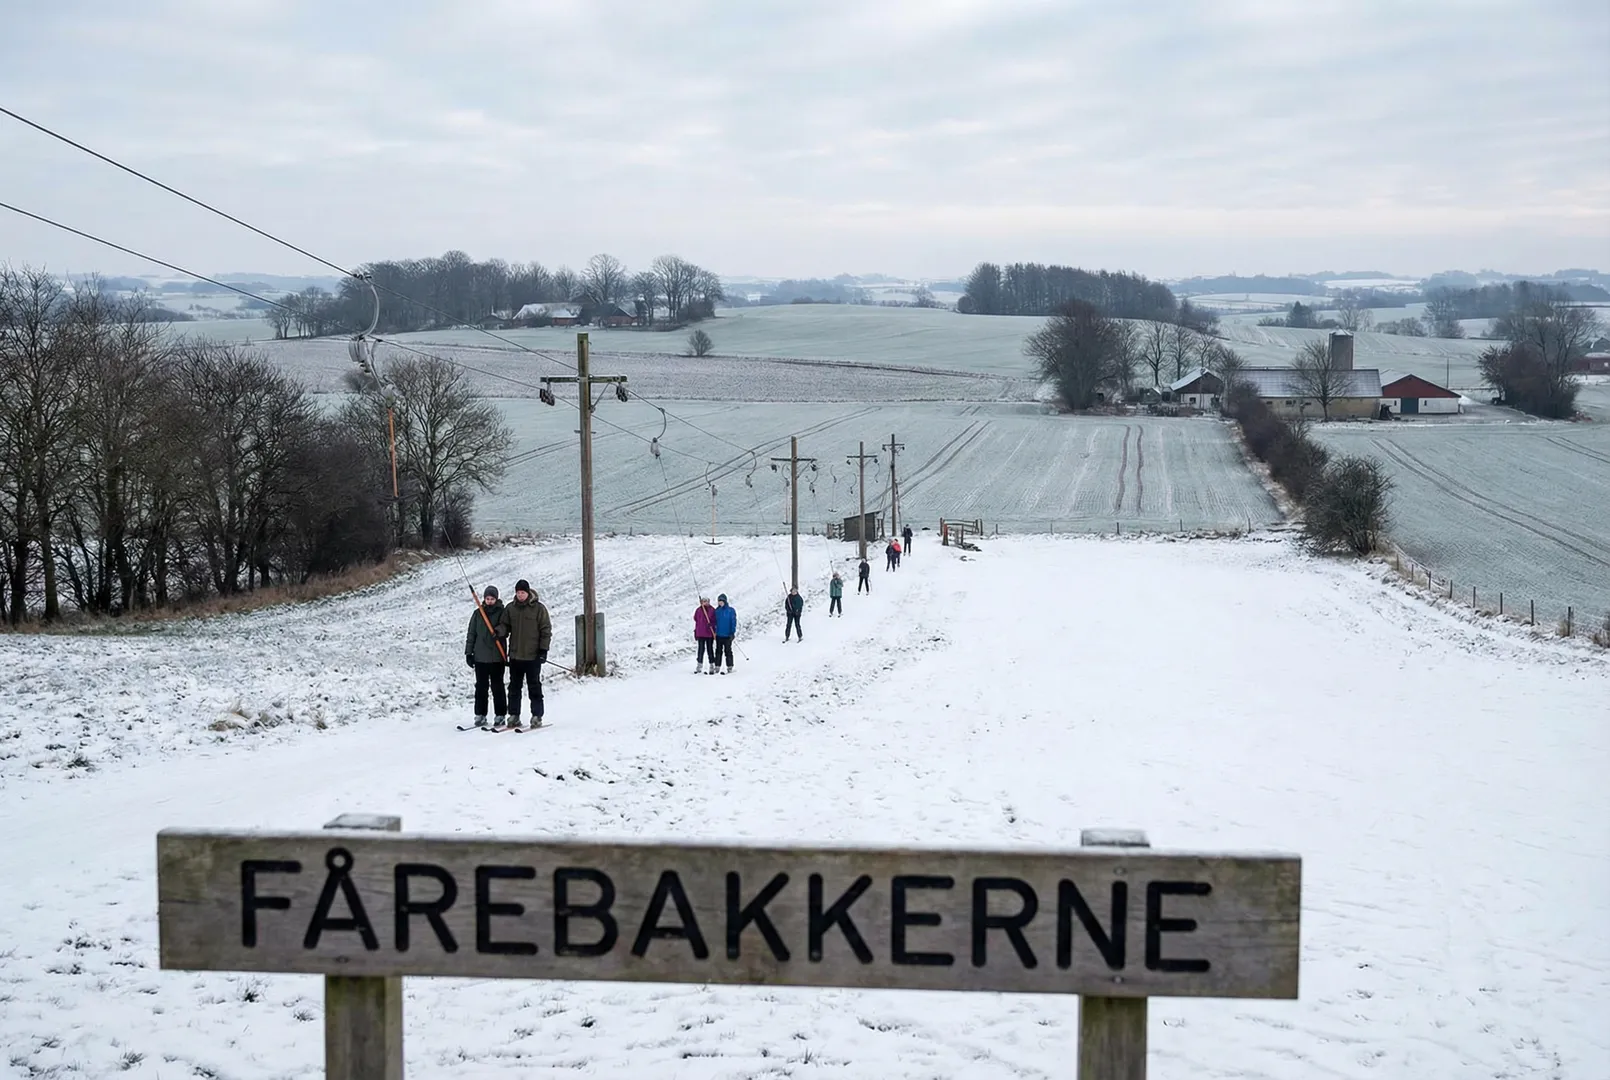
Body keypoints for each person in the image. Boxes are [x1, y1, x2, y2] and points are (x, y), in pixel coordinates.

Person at [497, 578, 551, 730]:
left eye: (523, 592)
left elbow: (546, 630)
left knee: (534, 687)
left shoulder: (539, 609)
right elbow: (504, 625)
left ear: (528, 593)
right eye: (518, 592)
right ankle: (514, 715)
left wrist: (543, 650)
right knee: (514, 688)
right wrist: (498, 632)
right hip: (515, 656)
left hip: (533, 656)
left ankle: (537, 716)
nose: (520, 595)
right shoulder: (511, 608)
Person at [464, 585, 507, 728]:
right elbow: (471, 634)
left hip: (496, 657)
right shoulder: (478, 614)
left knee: (497, 687)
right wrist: (469, 653)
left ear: (496, 599)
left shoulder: (502, 612)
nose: (489, 601)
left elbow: (506, 627)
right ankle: (480, 714)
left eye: (492, 599)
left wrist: (499, 631)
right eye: (487, 598)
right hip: (480, 658)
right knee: (481, 687)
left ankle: (500, 715)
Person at [712, 593, 737, 673]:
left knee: (728, 651)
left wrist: (732, 632)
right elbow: (714, 621)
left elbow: (733, 622)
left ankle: (729, 666)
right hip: (719, 635)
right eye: (719, 601)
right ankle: (717, 666)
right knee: (718, 651)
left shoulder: (730, 610)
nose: (720, 602)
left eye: (722, 601)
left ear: (725, 601)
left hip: (727, 635)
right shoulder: (717, 611)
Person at [693, 596, 718, 673]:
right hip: (701, 633)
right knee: (700, 650)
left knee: (710, 650)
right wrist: (696, 632)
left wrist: (712, 624)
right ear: (701, 602)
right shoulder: (698, 610)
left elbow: (715, 620)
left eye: (706, 601)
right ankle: (699, 665)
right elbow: (696, 620)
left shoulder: (712, 610)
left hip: (709, 633)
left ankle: (712, 665)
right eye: (704, 601)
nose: (705, 603)